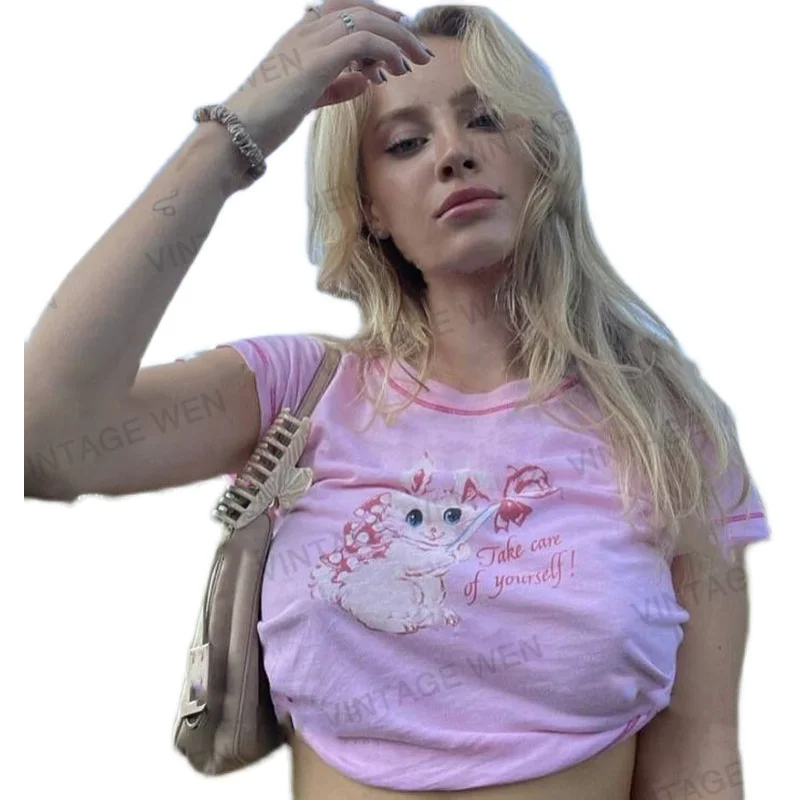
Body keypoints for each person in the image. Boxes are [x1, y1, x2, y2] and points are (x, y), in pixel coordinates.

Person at [24, 2, 771, 798]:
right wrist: (239, 132)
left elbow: (697, 752)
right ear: (372, 208)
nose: (453, 153)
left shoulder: (664, 423)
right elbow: (42, 443)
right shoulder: (301, 392)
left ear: (541, 154)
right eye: (406, 143)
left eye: (485, 119)